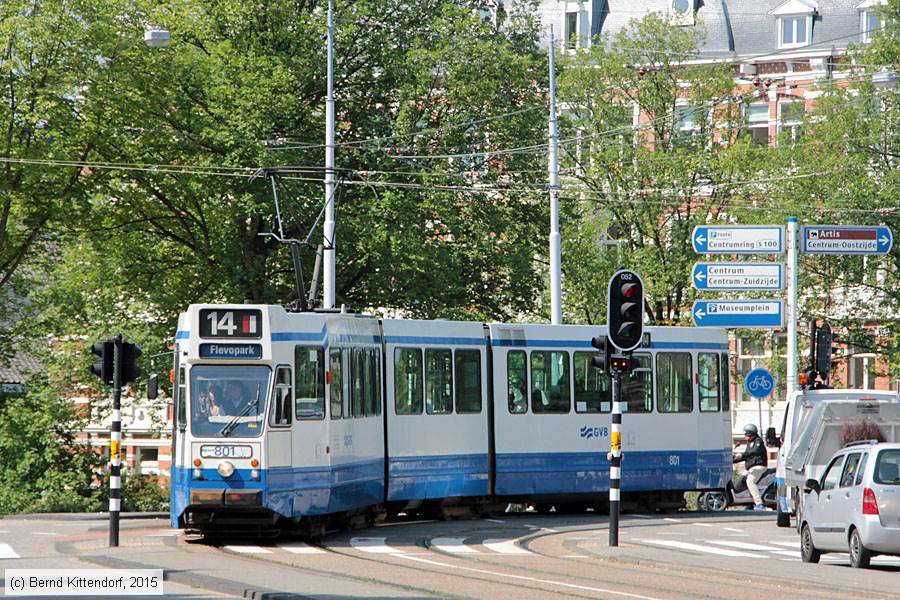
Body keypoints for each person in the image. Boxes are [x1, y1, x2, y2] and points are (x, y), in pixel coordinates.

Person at [733, 423, 768, 510]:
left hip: (759, 466)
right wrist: (734, 460)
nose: (745, 436)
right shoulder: (750, 443)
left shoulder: (758, 442)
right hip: (751, 468)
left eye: (746, 434)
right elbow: (747, 455)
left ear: (751, 434)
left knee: (750, 481)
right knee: (741, 479)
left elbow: (754, 452)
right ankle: (749, 503)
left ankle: (759, 504)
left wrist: (742, 454)